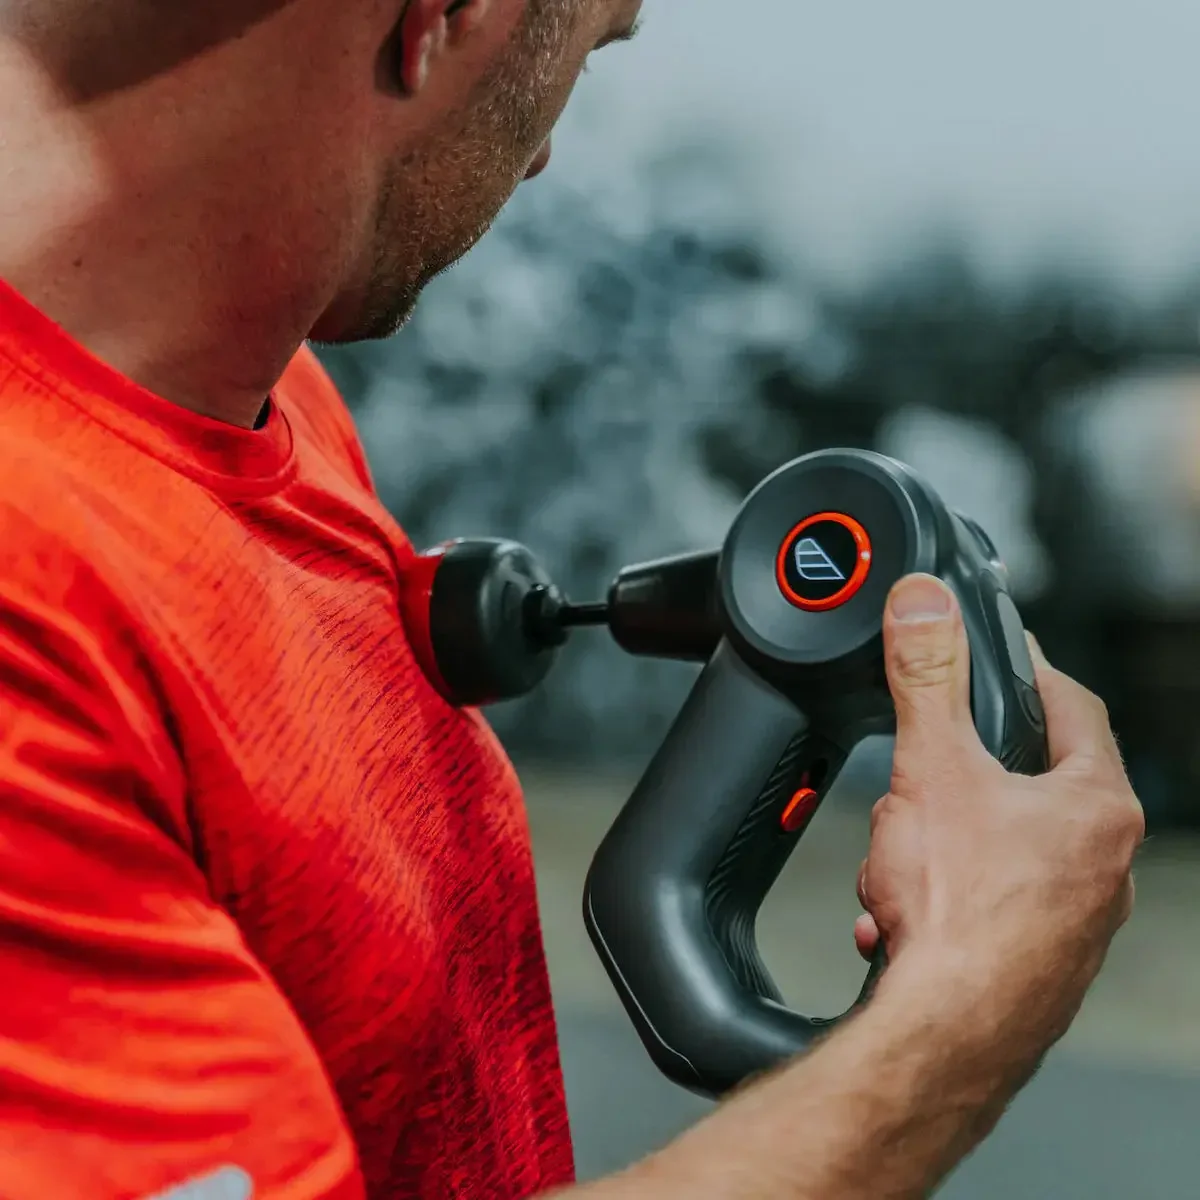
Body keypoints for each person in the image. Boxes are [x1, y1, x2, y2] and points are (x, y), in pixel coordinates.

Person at [0, 1, 1144, 1198]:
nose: (542, 153)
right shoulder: (30, 620)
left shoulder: (255, 382)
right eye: (592, 47)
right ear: (445, 17)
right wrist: (960, 1021)